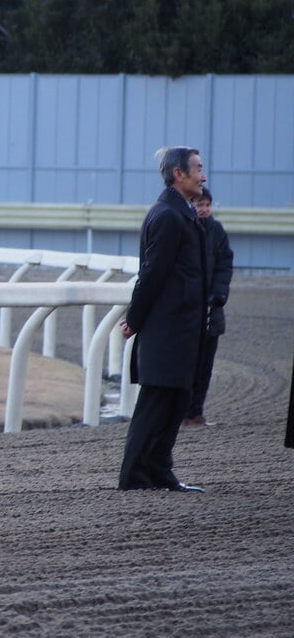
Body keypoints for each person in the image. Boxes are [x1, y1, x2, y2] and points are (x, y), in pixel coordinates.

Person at [119, 146, 208, 493]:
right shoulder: (169, 216)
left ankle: (158, 471)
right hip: (166, 328)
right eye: (198, 169)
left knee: (175, 399)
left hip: (181, 327)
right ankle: (135, 476)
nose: (203, 175)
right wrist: (135, 319)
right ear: (178, 175)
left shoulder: (181, 213)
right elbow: (152, 274)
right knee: (156, 402)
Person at [184, 188, 233, 427]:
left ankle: (195, 413)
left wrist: (219, 294)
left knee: (204, 366)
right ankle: (180, 413)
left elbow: (225, 263)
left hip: (212, 310)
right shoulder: (183, 228)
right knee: (185, 364)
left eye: (206, 205)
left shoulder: (216, 230)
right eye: (199, 205)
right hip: (186, 310)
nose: (203, 209)